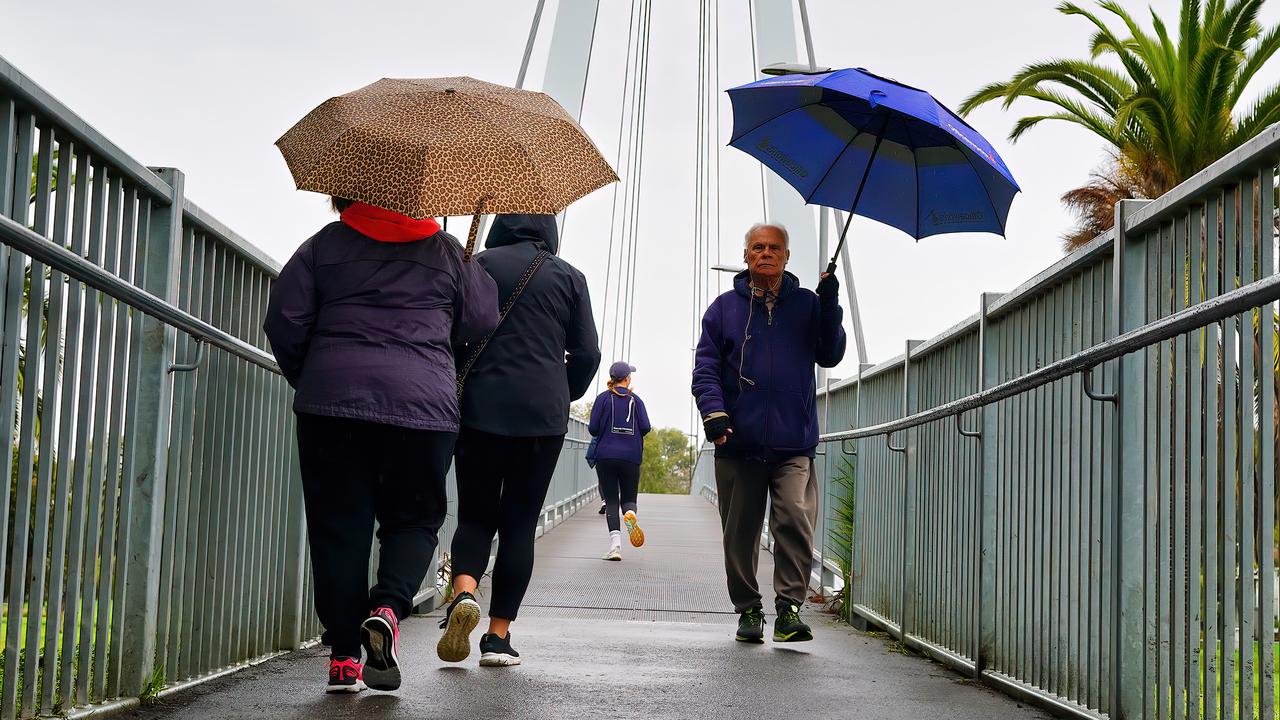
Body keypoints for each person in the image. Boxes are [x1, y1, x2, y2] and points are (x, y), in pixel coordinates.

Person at [264, 197, 497, 694]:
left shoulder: (323, 247)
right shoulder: (449, 252)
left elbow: (284, 320)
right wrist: (467, 271)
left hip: (332, 404)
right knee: (414, 519)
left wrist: (312, 378)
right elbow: (481, 321)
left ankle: (345, 657)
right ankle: (389, 608)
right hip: (423, 406)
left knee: (338, 528)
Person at [439, 214, 600, 667]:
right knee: (519, 524)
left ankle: (465, 592)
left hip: (478, 409)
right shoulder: (568, 276)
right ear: (548, 228)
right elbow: (587, 353)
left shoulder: (477, 264)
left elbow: (452, 335)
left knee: (474, 514)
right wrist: (559, 390)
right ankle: (497, 637)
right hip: (542, 415)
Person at [691, 222, 846, 644]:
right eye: (757, 247)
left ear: (786, 256)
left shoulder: (808, 306)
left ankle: (789, 609)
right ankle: (748, 610)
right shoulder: (724, 309)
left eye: (774, 247)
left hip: (792, 441)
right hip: (736, 441)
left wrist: (830, 304)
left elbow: (830, 355)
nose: (766, 253)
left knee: (795, 516)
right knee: (739, 532)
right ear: (745, 256)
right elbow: (705, 368)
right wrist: (714, 414)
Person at [587, 361, 652, 561]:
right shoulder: (637, 400)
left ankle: (615, 547)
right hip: (631, 457)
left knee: (612, 500)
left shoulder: (602, 399)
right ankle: (630, 514)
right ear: (627, 378)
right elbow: (646, 427)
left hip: (606, 456)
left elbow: (594, 429)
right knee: (628, 499)